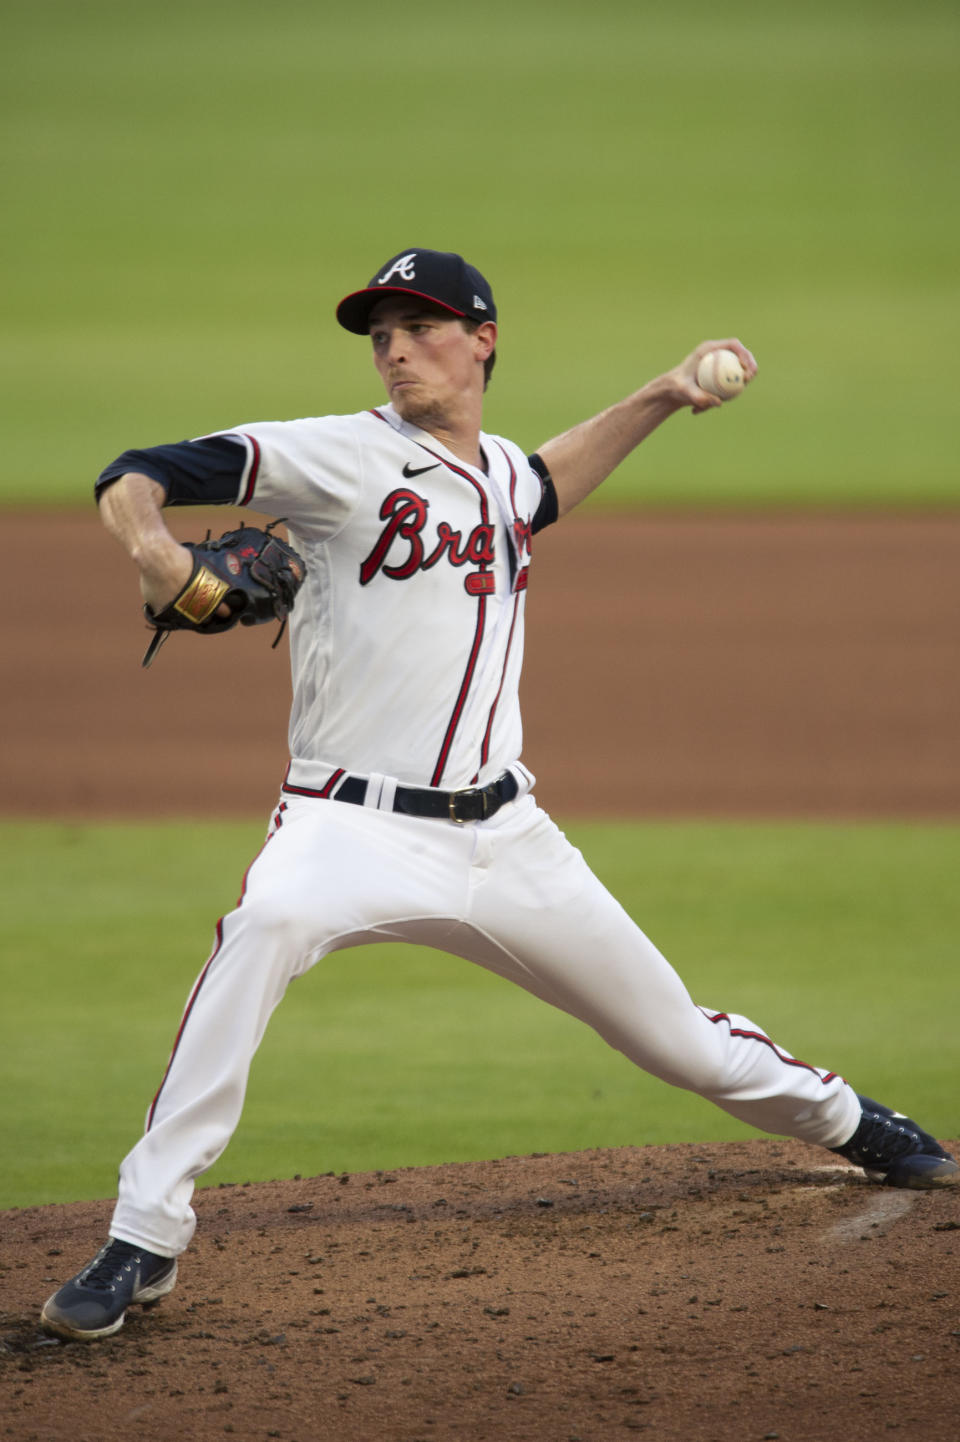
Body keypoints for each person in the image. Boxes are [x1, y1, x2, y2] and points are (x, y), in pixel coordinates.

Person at [41, 248, 957, 1342]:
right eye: (381, 333)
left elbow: (549, 481)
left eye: (420, 327)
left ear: (481, 339)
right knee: (264, 926)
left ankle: (858, 1123)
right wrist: (152, 549)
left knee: (680, 1039)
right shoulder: (333, 456)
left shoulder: (499, 475)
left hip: (510, 836)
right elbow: (133, 468)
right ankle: (144, 1235)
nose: (394, 349)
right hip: (348, 824)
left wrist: (665, 393)